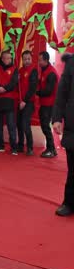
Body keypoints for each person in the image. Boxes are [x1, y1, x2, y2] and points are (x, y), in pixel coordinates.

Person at [52, 53, 74, 216]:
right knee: (72, 168)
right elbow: (62, 93)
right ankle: (69, 202)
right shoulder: (71, 63)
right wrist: (57, 118)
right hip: (73, 125)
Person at [0, 50, 19, 155]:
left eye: (9, 58)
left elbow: (14, 82)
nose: (7, 60)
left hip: (9, 100)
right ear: (1, 59)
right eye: (5, 58)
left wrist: (4, 89)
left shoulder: (15, 69)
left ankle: (14, 148)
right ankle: (0, 145)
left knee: (11, 125)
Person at [37, 51, 58, 158]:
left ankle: (51, 149)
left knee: (45, 126)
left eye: (40, 60)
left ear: (46, 60)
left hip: (50, 104)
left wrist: (36, 92)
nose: (39, 62)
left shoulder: (51, 73)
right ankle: (52, 149)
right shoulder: (43, 70)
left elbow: (48, 91)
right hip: (44, 103)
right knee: (44, 126)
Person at [17, 50, 38, 155]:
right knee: (19, 124)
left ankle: (30, 147)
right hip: (19, 102)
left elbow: (32, 88)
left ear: (31, 58)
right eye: (25, 59)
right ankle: (20, 146)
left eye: (28, 59)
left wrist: (24, 101)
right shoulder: (20, 71)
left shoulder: (34, 70)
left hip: (28, 102)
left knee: (25, 124)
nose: (27, 61)